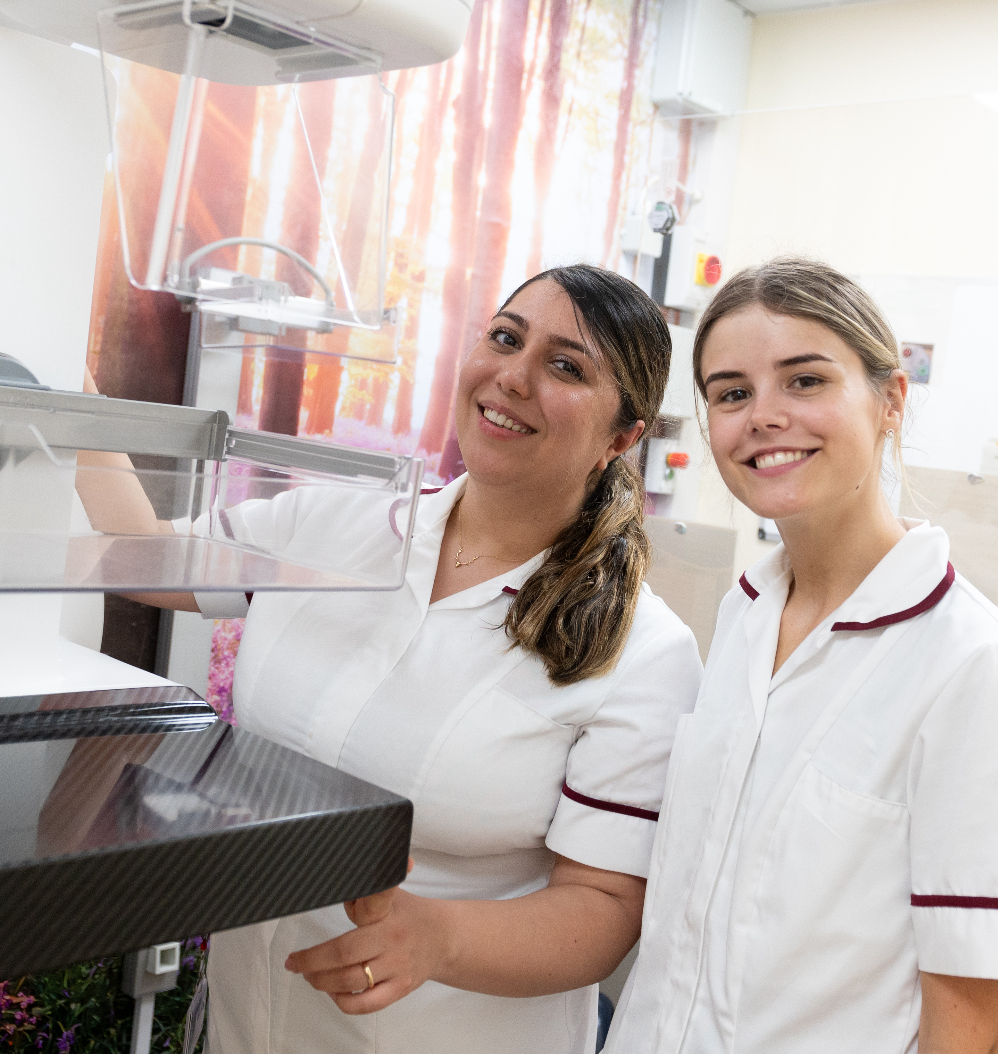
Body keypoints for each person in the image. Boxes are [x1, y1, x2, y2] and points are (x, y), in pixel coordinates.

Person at [76, 264, 702, 1054]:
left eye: (566, 365)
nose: (512, 376)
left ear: (622, 436)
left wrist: (439, 937)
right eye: (505, 338)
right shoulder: (332, 526)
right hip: (246, 1022)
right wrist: (62, 398)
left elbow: (604, 909)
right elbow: (145, 560)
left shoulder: (645, 653)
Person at [608, 259, 998, 1054]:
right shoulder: (746, 617)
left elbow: (967, 1016)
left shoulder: (977, 669)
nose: (764, 417)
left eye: (806, 381)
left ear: (891, 400)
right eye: (732, 392)